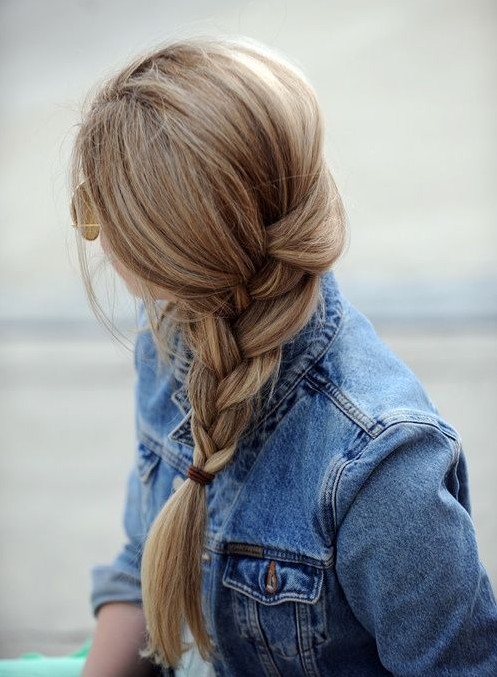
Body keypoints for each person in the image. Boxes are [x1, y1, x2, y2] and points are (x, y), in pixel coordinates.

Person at [69, 35, 497, 677]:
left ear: (166, 261)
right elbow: (142, 566)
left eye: (96, 217)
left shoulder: (380, 466)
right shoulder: (168, 341)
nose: (95, 238)